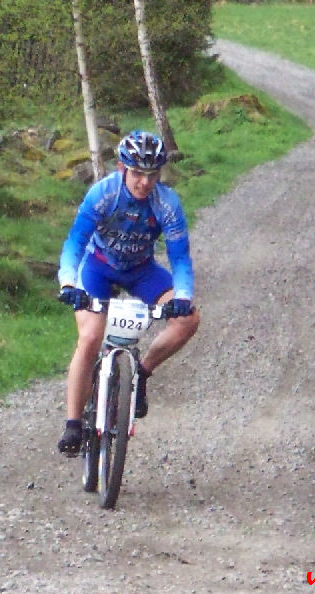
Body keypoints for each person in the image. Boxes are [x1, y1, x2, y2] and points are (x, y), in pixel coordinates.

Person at [56, 130, 200, 456]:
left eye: (152, 175)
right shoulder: (102, 195)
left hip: (140, 270)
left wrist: (183, 297)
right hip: (97, 268)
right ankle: (73, 424)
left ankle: (141, 375)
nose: (145, 183)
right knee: (91, 338)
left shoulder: (167, 204)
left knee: (188, 321)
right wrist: (67, 284)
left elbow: (180, 259)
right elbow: (75, 244)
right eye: (137, 174)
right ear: (122, 169)